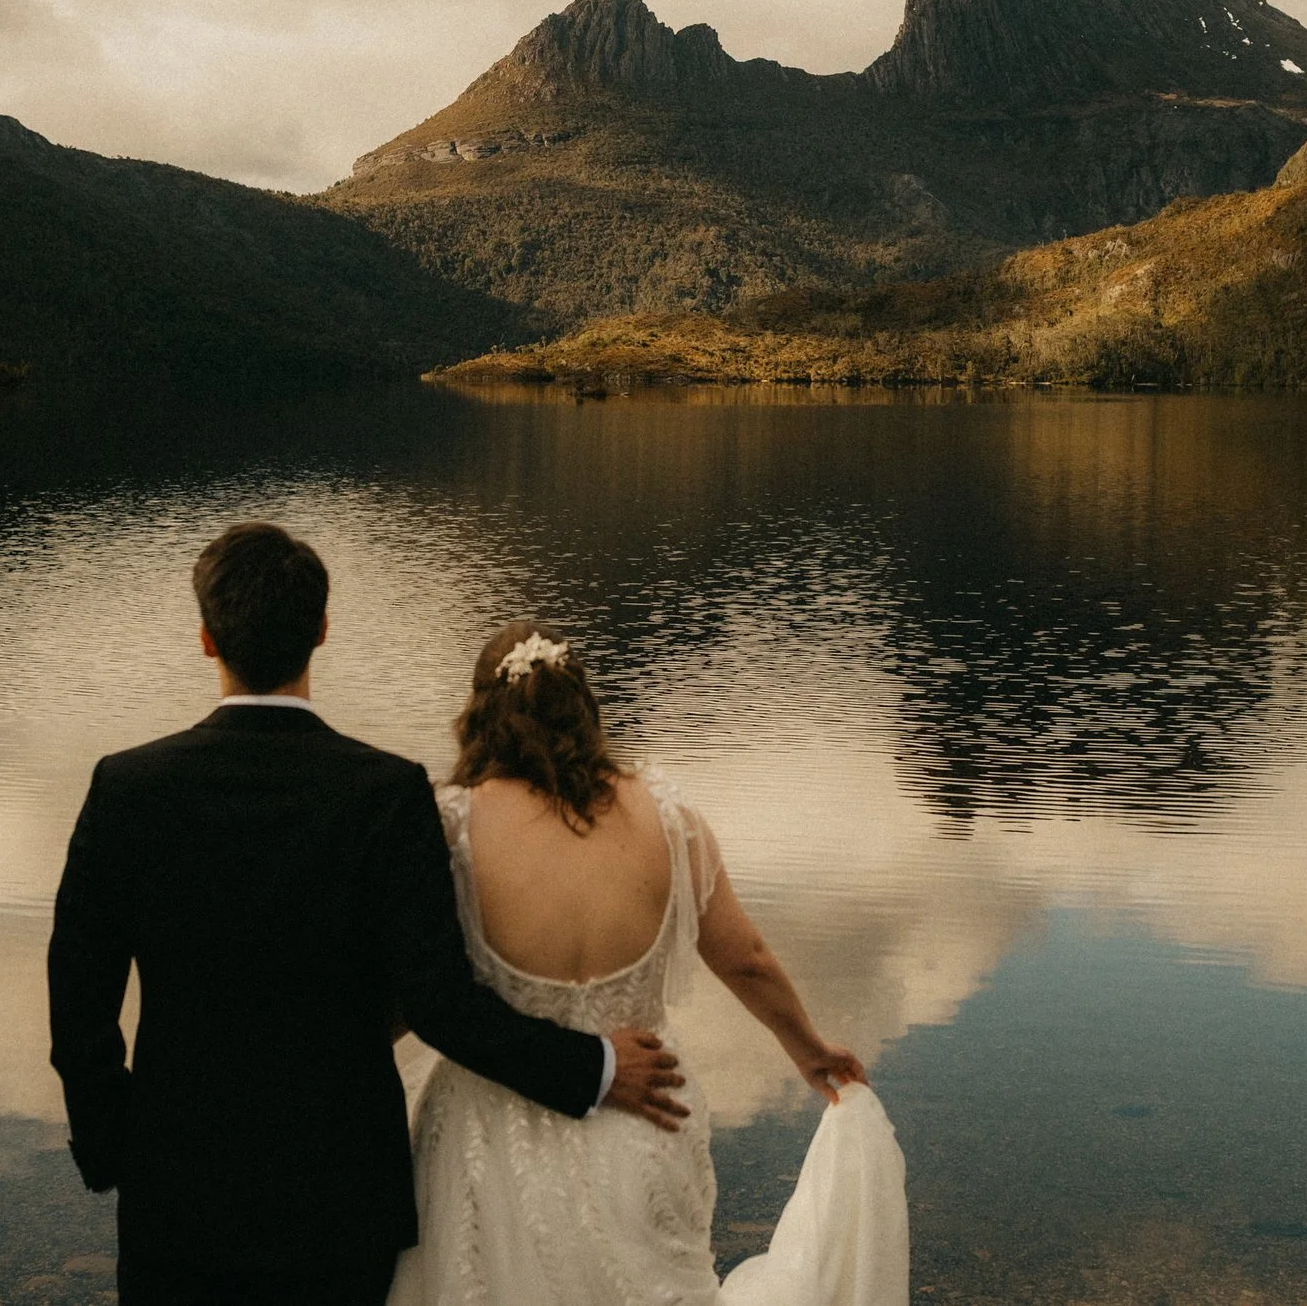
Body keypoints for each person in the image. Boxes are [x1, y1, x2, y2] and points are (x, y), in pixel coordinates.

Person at [47, 524, 689, 1305]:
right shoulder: (385, 793)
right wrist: (593, 1066)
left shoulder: (129, 789)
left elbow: (79, 1001)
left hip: (179, 1193)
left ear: (206, 638)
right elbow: (441, 1005)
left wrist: (117, 1147)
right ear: (321, 630)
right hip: (342, 1195)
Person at [387, 621, 910, 1306]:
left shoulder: (448, 826)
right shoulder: (668, 817)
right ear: (584, 707)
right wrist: (808, 1047)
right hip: (645, 1113)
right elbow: (746, 959)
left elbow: (419, 991)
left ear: (480, 716)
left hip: (489, 1131)